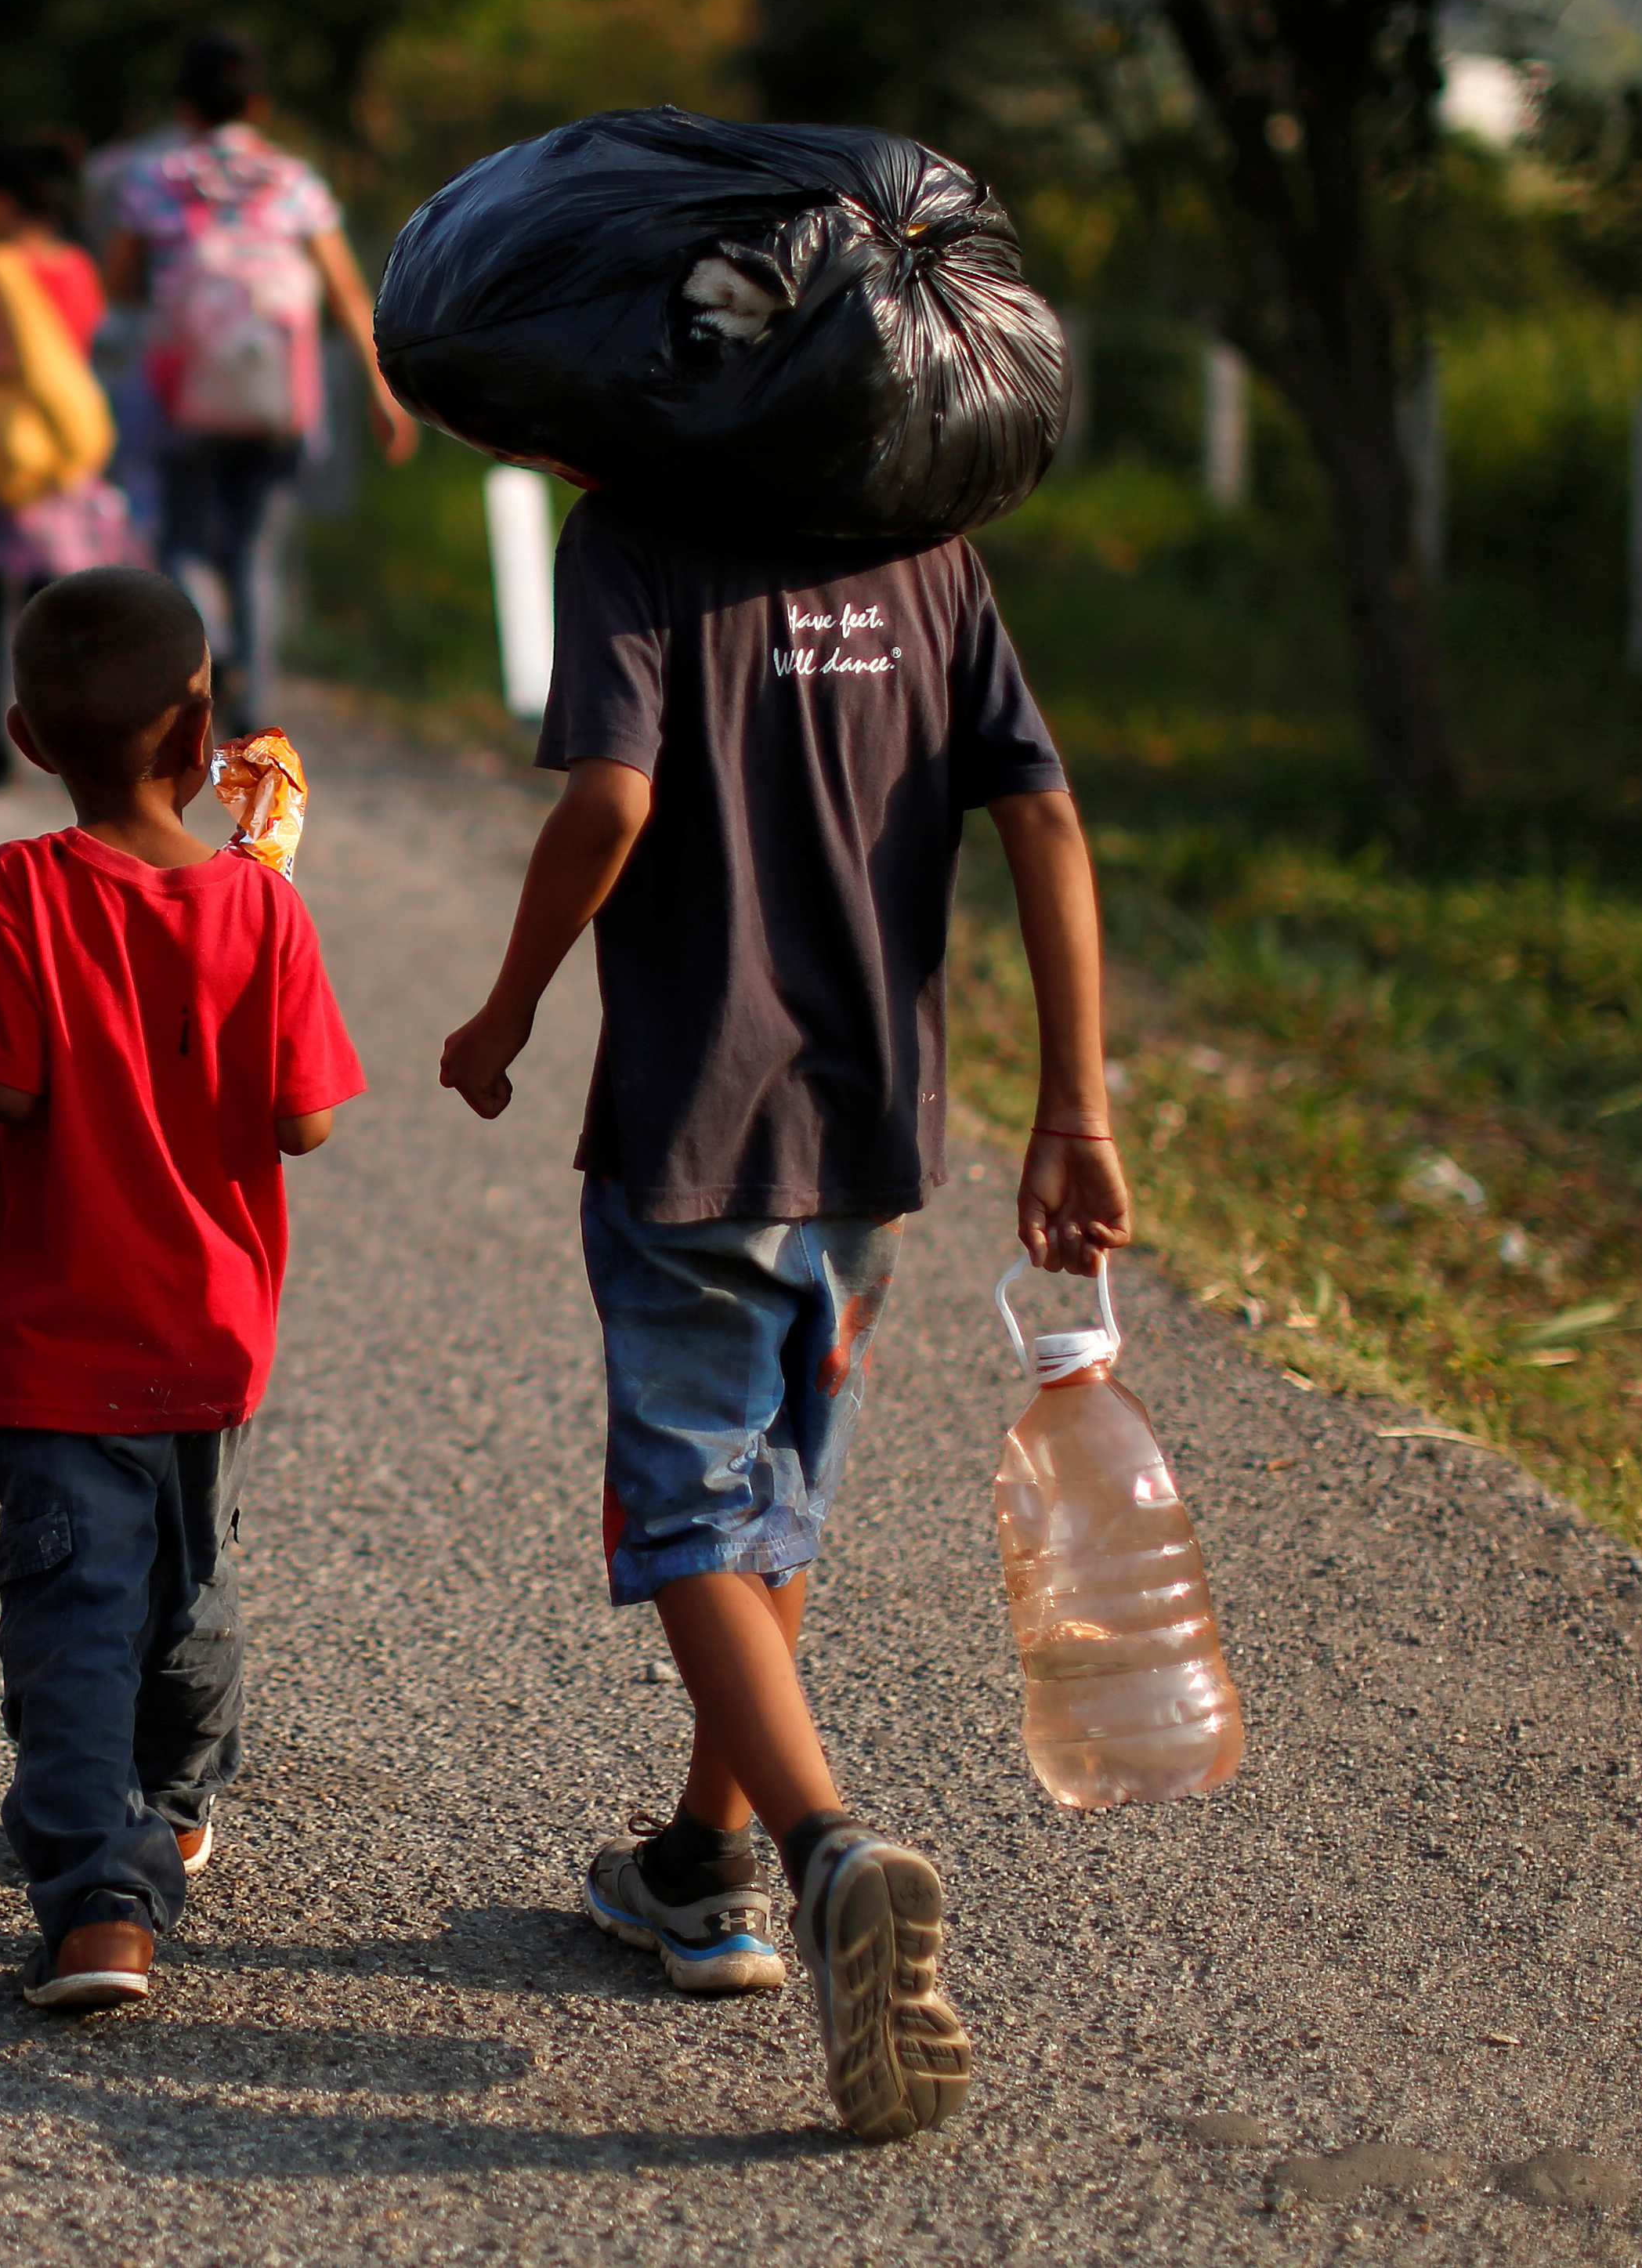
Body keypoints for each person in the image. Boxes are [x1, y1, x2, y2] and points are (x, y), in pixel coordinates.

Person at [432, 488, 1130, 2142]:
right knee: (775, 1490)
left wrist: (507, 1006)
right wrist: (1075, 1106)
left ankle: (826, 1849)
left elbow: (611, 795)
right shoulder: (925, 547)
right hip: (870, 1132)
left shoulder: (639, 534)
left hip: (693, 1125)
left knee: (691, 1509)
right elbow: (1042, 813)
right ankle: (707, 1858)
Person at [0, 570, 364, 2012]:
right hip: (213, 1338)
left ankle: (102, 1900)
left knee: (75, 1614)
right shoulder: (265, 906)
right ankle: (169, 1805)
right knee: (188, 1591)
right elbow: (306, 1118)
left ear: (25, 738)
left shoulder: (19, 886)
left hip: (58, 1346)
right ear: (204, 733)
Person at [100, 29, 417, 731]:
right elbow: (345, 291)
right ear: (260, 105)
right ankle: (257, 701)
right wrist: (383, 390)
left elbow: (118, 284)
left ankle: (219, 648)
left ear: (184, 107)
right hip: (277, 396)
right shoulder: (293, 180)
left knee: (182, 539)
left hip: (182, 389)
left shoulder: (153, 179)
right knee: (256, 547)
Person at [0, 138, 139, 788]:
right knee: (57, 613)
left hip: (8, 454)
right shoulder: (78, 266)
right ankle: (68, 746)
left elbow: (5, 357)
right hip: (67, 457)